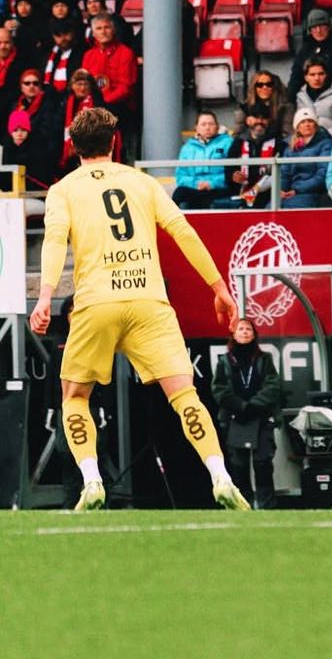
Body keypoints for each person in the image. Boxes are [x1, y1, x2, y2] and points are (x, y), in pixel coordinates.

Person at [28, 107, 248, 511]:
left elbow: (55, 239)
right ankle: (220, 475)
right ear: (114, 143)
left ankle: (91, 481)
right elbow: (183, 230)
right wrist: (220, 288)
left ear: (73, 147)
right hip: (149, 300)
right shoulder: (141, 182)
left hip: (96, 303)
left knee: (74, 397)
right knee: (185, 394)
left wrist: (45, 297)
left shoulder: (64, 189)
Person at [211, 317, 283, 508]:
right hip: (236, 419)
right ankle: (244, 505)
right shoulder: (225, 361)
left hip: (261, 417)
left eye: (248, 329)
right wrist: (240, 406)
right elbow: (219, 389)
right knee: (239, 466)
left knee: (263, 464)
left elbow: (273, 386)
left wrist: (253, 405)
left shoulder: (264, 359)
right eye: (241, 329)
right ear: (233, 334)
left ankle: (268, 507)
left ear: (254, 334)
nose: (245, 332)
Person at [172, 110, 232, 209]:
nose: (207, 127)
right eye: (203, 124)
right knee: (179, 193)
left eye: (211, 124)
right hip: (194, 188)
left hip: (218, 188)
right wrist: (196, 184)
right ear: (196, 128)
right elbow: (181, 176)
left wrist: (212, 184)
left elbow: (232, 172)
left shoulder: (228, 143)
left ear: (217, 126)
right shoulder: (187, 147)